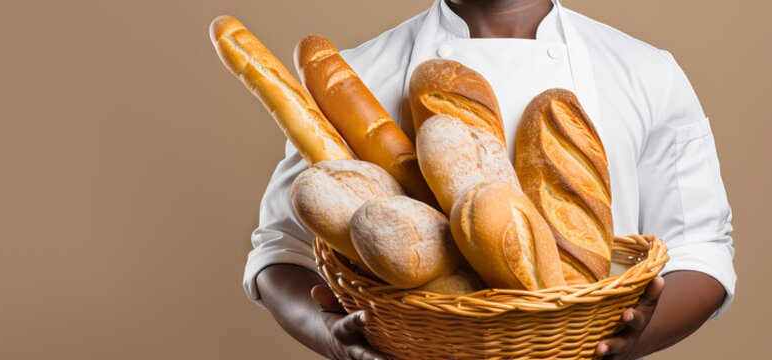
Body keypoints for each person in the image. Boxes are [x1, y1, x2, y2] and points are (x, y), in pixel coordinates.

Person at [242, 0, 737, 359]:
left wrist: (638, 336)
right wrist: (327, 334)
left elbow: (703, 246)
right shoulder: (361, 74)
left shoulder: (645, 71)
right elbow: (279, 251)